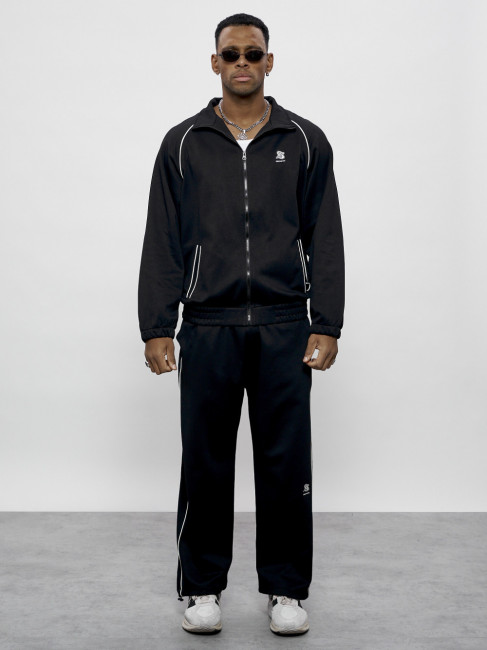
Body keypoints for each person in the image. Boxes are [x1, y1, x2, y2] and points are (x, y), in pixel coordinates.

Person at [138, 12, 345, 637]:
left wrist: (327, 321)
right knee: (205, 462)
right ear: (215, 63)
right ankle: (202, 587)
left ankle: (286, 589)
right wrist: (157, 324)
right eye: (231, 54)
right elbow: (162, 238)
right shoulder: (183, 143)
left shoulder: (305, 140)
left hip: (284, 324)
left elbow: (326, 236)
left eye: (253, 53)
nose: (242, 64)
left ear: (269, 62)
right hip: (208, 325)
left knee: (286, 464)